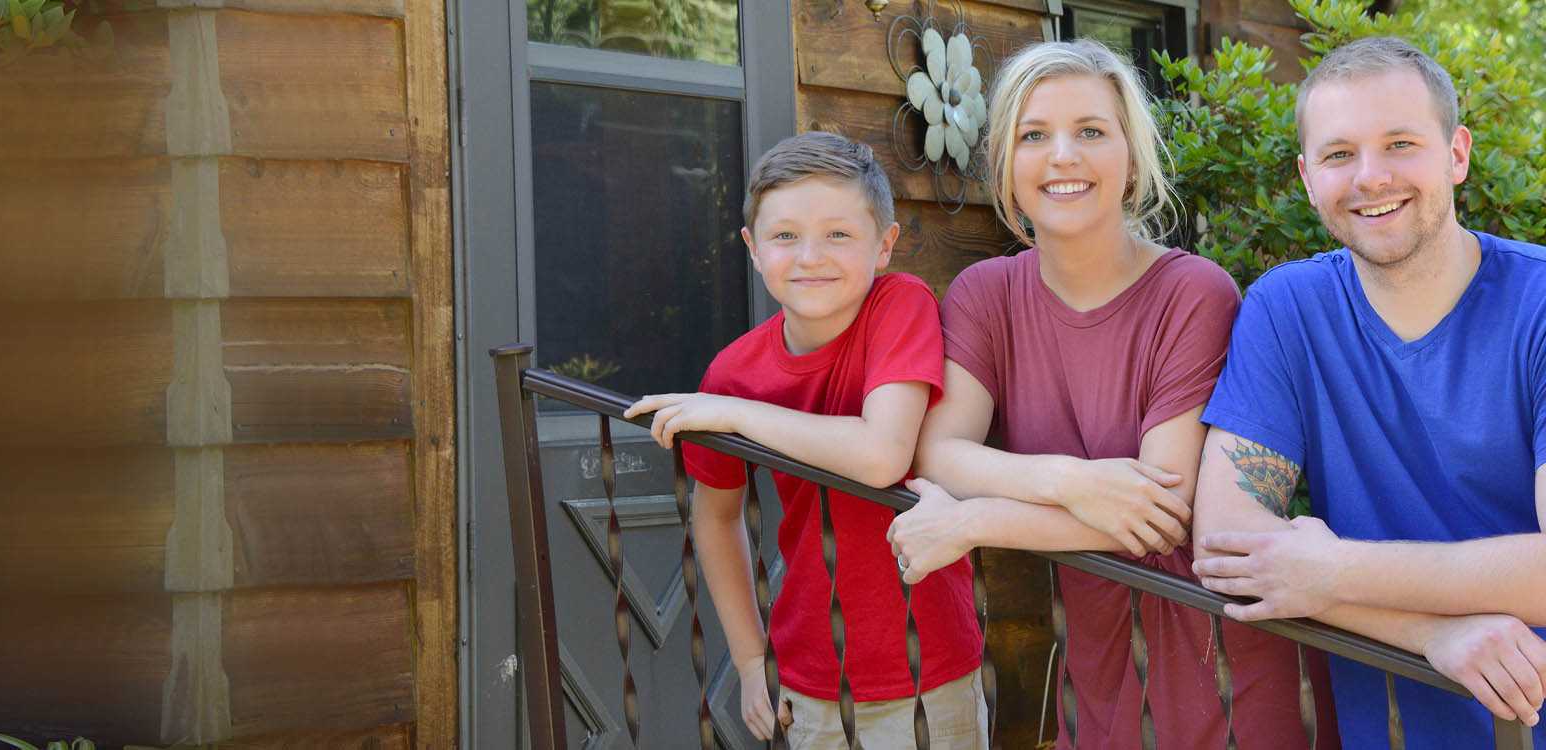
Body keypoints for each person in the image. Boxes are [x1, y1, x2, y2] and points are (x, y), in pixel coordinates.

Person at [885, 40, 1329, 748]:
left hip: (1218, 653)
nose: (1063, 155)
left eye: (1091, 131)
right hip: (1094, 654)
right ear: (1006, 161)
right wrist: (1074, 481)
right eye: (1035, 135)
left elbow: (1159, 515)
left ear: (1130, 157)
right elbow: (939, 451)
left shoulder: (1192, 293)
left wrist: (972, 522)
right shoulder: (985, 295)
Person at [1187, 36, 1546, 748]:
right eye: (1339, 153)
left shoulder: (1538, 303)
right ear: (1306, 175)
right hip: (1388, 724)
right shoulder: (1288, 310)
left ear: (1457, 153)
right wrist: (1428, 634)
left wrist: (1336, 570)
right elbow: (1227, 544)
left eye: (1401, 144)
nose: (1370, 177)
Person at [624, 131, 986, 749]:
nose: (810, 255)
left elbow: (881, 454)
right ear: (753, 249)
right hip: (809, 667)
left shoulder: (900, 305)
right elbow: (716, 521)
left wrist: (738, 416)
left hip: (926, 661)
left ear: (884, 246)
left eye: (839, 234)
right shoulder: (735, 374)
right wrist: (747, 660)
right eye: (785, 235)